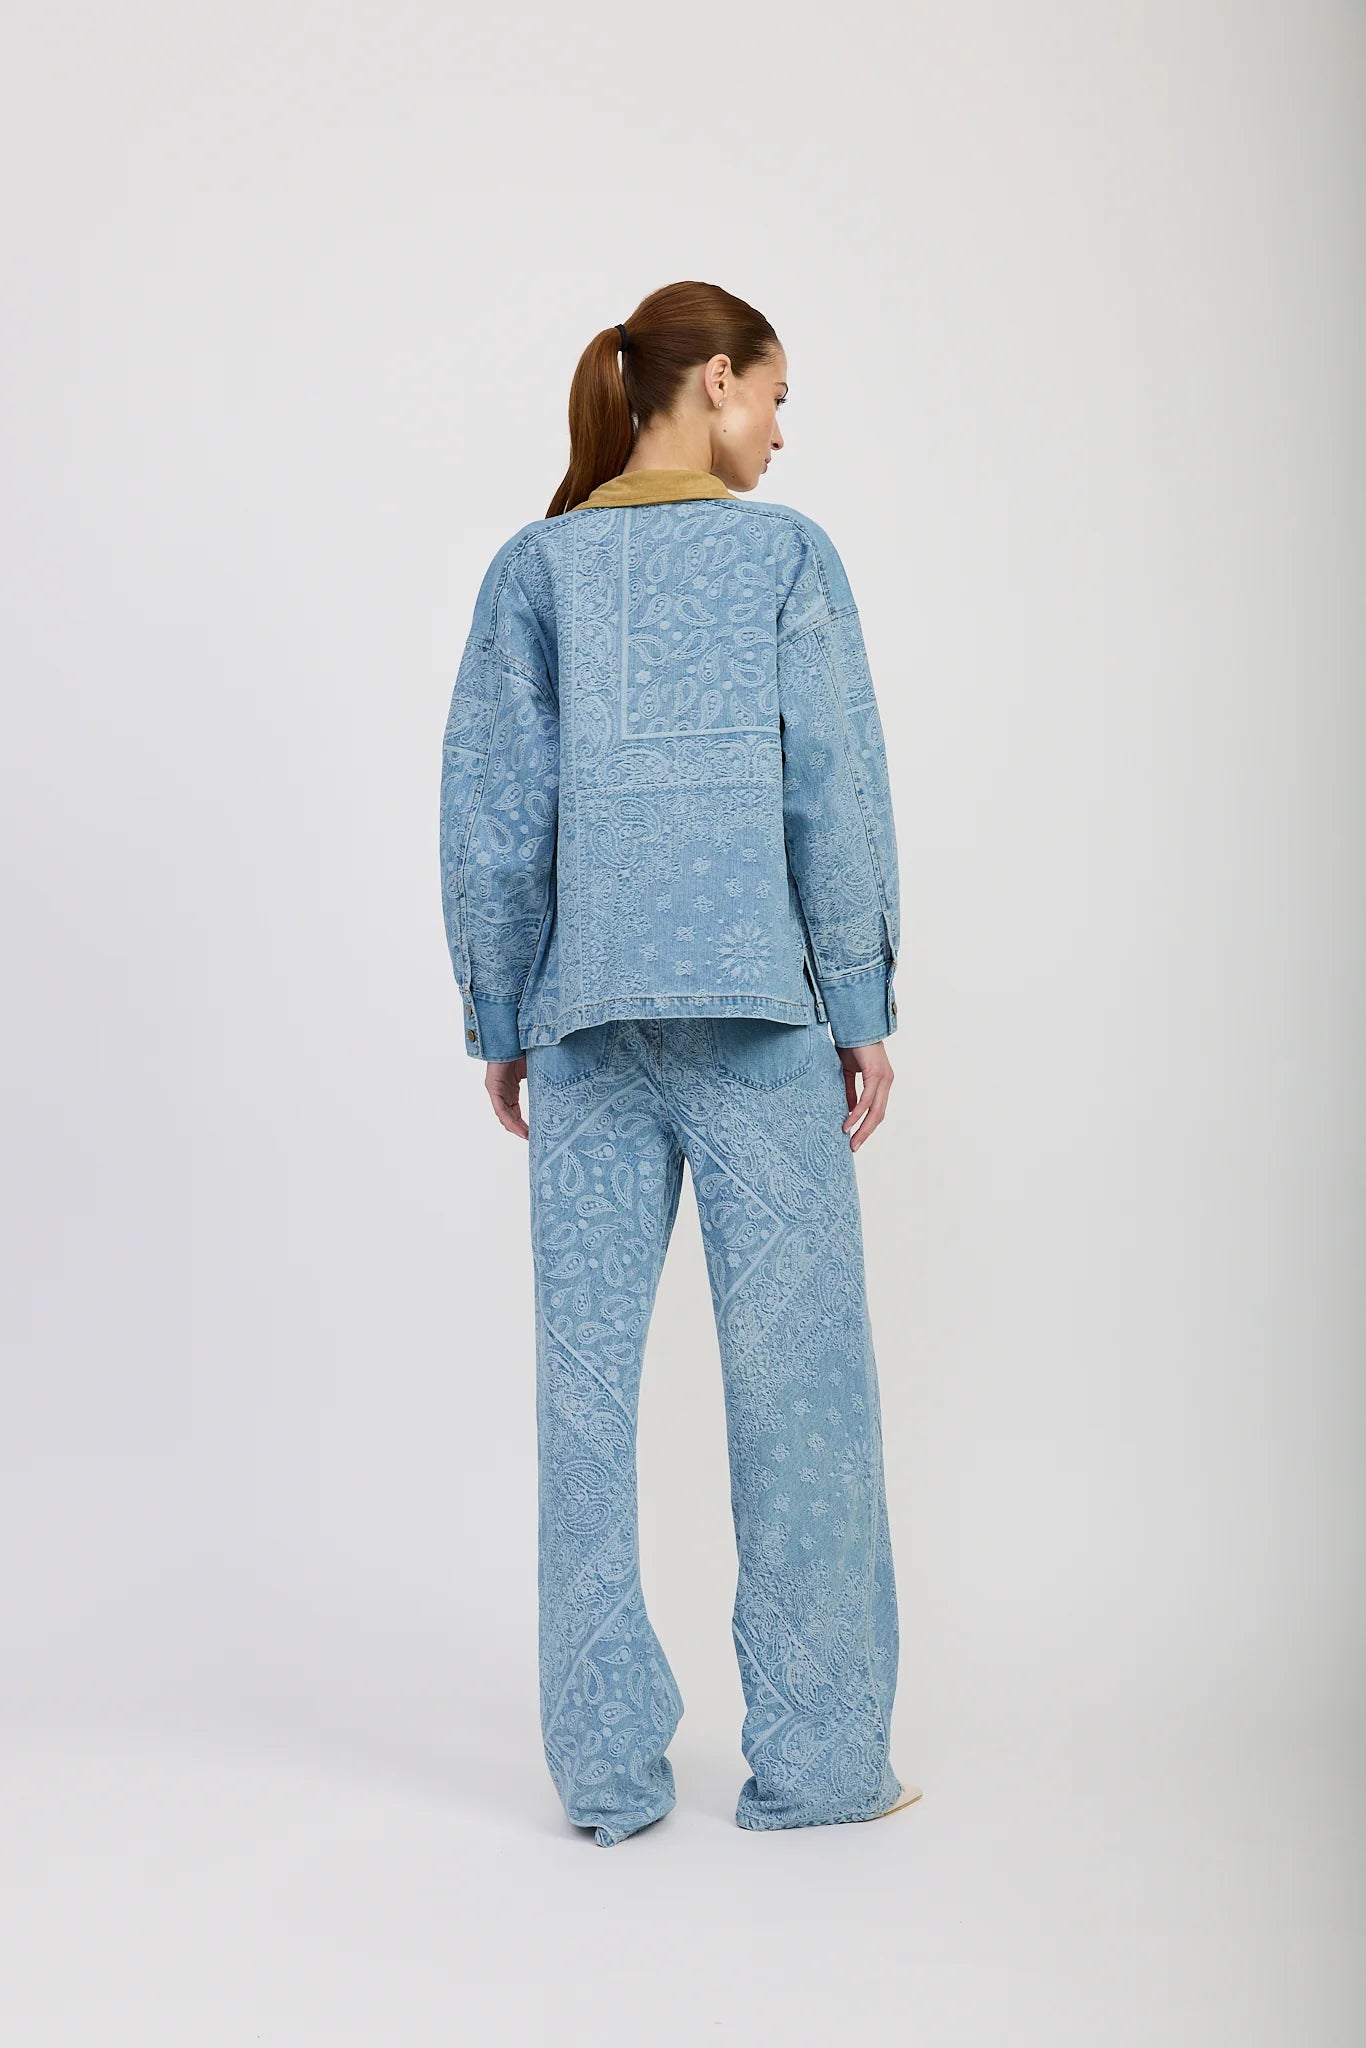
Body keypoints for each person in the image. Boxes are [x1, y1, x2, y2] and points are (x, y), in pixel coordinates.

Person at [439, 279, 920, 1844]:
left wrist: (503, 1013)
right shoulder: (784, 556)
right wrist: (858, 1000)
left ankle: (601, 1774)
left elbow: (493, 810)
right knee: (803, 1402)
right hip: (761, 1023)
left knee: (581, 1412)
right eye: (772, 395)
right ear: (713, 380)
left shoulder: (534, 571)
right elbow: (829, 786)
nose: (779, 430)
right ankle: (823, 1763)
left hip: (584, 1029)